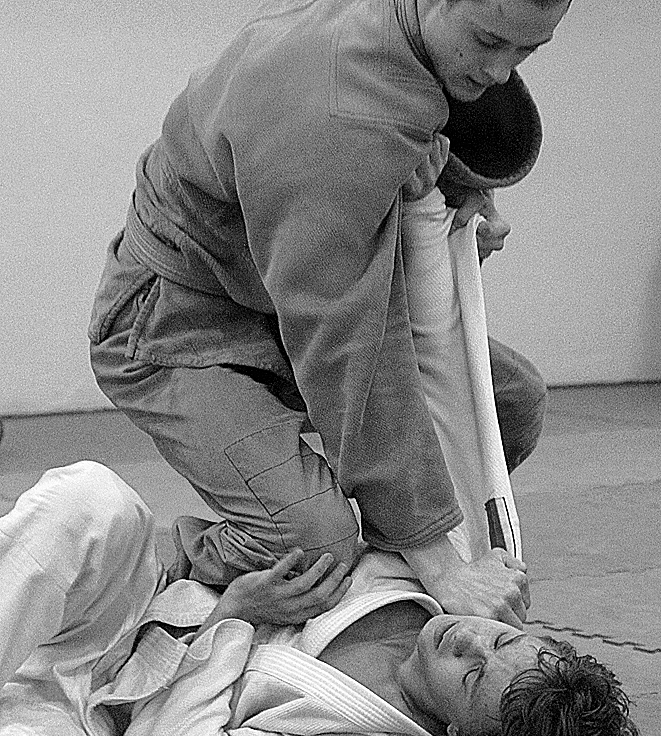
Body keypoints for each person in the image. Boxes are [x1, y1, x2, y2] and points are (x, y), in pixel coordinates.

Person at [88, 0, 570, 621]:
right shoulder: (336, 111)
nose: (502, 72)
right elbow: (345, 349)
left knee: (509, 405)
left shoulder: (411, 37)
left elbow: (424, 141)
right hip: (173, 329)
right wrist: (442, 567)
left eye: (526, 50)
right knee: (317, 545)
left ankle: (357, 536)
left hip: (268, 299)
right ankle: (158, 570)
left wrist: (464, 196)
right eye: (488, 42)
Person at [0, 463, 637, 736]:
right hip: (124, 604)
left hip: (97, 730)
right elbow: (435, 413)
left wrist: (236, 618)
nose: (469, 639)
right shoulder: (434, 574)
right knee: (93, 497)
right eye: (502, 639)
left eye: (473, 678)